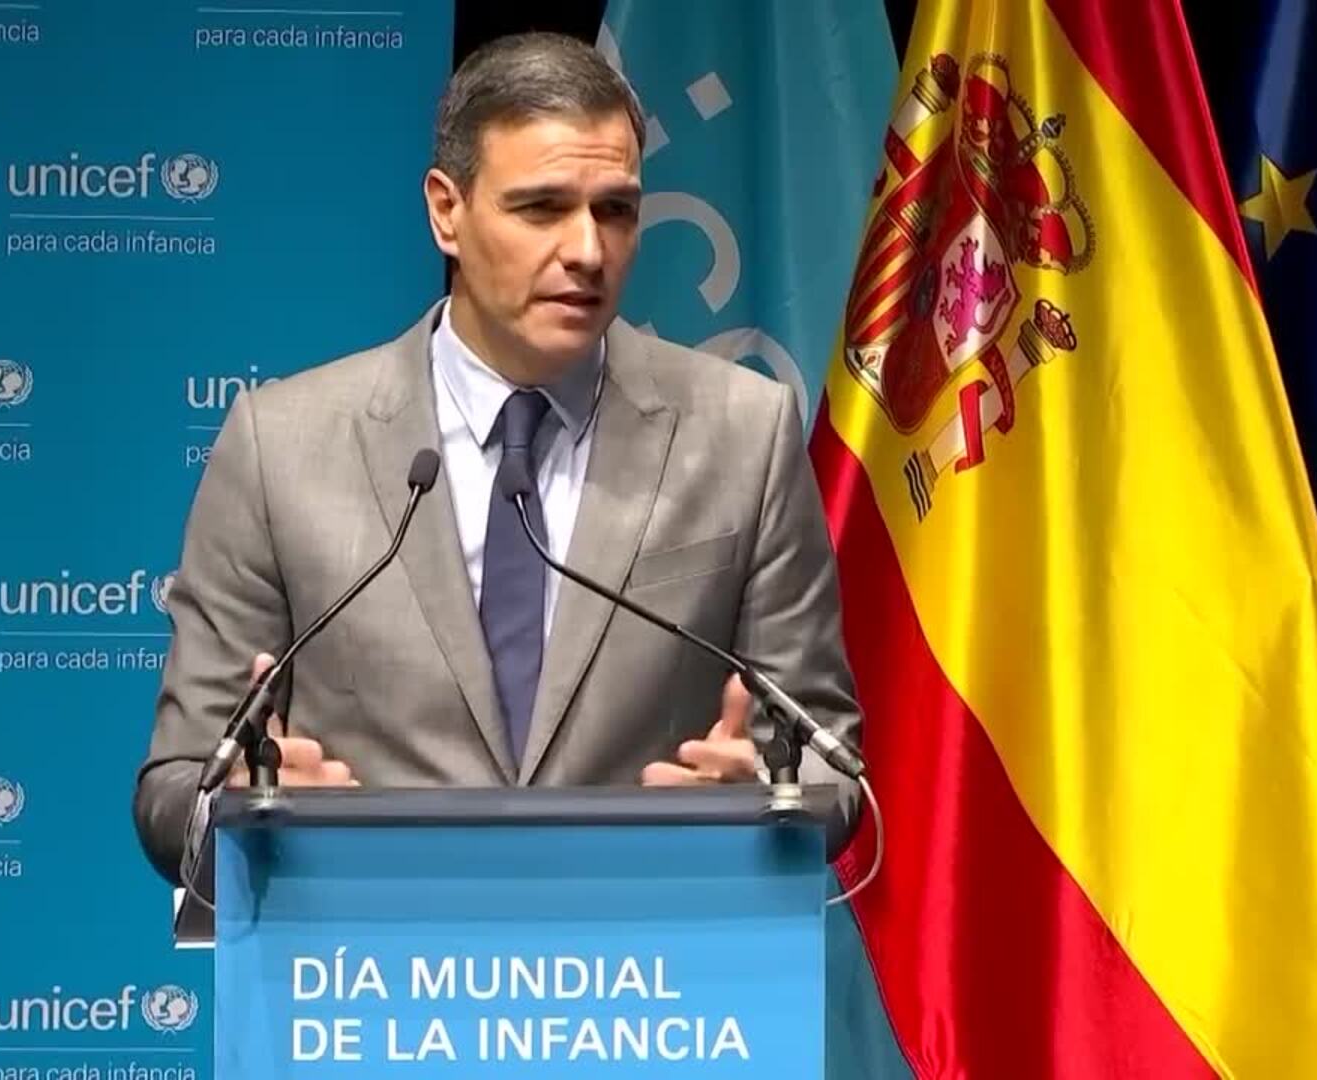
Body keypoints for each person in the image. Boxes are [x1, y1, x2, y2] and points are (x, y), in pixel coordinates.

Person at [133, 31, 862, 884]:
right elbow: (176, 789)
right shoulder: (279, 446)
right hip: (373, 958)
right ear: (447, 211)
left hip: (650, 958)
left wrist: (773, 803)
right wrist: (249, 807)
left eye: (615, 210)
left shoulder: (744, 432)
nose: (587, 250)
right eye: (542, 208)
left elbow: (832, 764)